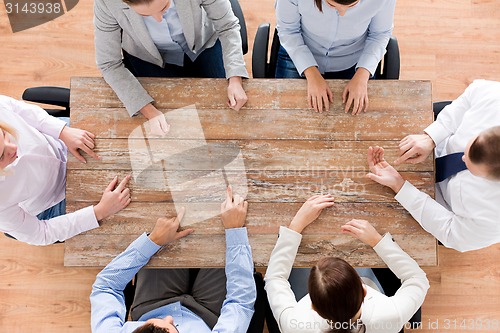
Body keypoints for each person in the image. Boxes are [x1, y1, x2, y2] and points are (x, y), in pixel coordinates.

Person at [90, 186, 256, 333]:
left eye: (157, 324)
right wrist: (235, 230)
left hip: (153, 304)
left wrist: (153, 241)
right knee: (224, 245)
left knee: (170, 217)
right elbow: (240, 302)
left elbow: (106, 285)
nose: (170, 318)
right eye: (172, 327)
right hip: (209, 316)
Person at [366, 79, 500, 252]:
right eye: (468, 148)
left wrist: (399, 186)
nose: (463, 158)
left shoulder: (492, 218)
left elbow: (451, 233)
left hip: (439, 205)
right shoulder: (495, 98)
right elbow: (470, 96)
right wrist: (432, 137)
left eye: (471, 168)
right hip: (436, 147)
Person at [265, 194, 429, 333]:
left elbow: (275, 278)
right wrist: (377, 241)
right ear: (364, 290)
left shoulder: (295, 326)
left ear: (313, 306)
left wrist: (295, 226)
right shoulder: (391, 315)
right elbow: (417, 278)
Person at [94, 0, 249, 136]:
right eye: (145, 15)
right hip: (149, 57)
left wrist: (235, 78)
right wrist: (149, 112)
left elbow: (228, 26)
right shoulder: (107, 2)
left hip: (203, 44)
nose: (159, 19)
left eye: (164, 8)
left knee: (224, 114)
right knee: (173, 126)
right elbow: (109, 63)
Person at [0, 95, 131, 245]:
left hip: (58, 139)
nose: (14, 147)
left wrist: (61, 131)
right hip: (54, 199)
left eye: (4, 134)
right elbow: (40, 234)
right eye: (2, 155)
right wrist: (100, 211)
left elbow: (17, 109)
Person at [275, 0, 396, 114]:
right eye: (331, 5)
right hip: (300, 51)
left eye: (353, 5)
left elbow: (379, 35)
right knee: (286, 112)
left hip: (354, 60)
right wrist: (311, 73)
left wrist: (362, 75)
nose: (342, 13)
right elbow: (289, 31)